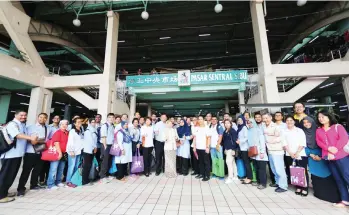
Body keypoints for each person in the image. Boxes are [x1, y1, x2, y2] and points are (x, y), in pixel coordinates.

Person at [0, 110, 38, 203]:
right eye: (21, 115)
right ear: (15, 115)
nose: (23, 117)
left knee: (11, 175)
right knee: (6, 175)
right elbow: (17, 135)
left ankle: (4, 192)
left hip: (17, 154)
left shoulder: (22, 125)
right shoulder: (12, 124)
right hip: (10, 155)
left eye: (25, 115)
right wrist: (31, 138)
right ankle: (1, 196)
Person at [303, 116, 341, 203]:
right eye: (304, 123)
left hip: (324, 156)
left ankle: (332, 196)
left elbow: (325, 143)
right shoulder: (303, 133)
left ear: (312, 122)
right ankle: (319, 193)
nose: (306, 124)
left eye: (308, 122)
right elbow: (303, 145)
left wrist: (321, 156)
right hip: (311, 157)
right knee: (315, 174)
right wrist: (311, 154)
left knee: (327, 173)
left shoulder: (319, 131)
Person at [315, 110, 349, 207]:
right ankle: (345, 200)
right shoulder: (319, 130)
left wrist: (335, 149)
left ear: (329, 117)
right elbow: (319, 142)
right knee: (338, 179)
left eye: (323, 116)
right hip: (329, 158)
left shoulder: (338, 127)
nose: (321, 119)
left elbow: (344, 139)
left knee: (347, 176)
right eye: (319, 117)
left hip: (341, 156)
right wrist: (328, 149)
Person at [17, 113, 50, 196]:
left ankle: (33, 185)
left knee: (37, 170)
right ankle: (21, 189)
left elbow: (46, 140)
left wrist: (38, 140)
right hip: (30, 152)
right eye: (40, 117)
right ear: (38, 118)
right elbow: (31, 141)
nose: (42, 119)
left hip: (41, 152)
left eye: (44, 118)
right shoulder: (30, 127)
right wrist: (40, 141)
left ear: (46, 119)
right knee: (26, 171)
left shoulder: (47, 128)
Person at [283, 116, 308, 196]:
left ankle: (304, 188)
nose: (289, 122)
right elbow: (284, 143)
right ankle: (298, 186)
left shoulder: (299, 131)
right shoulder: (284, 131)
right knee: (294, 171)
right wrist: (290, 153)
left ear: (294, 122)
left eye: (291, 120)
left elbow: (303, 142)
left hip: (300, 153)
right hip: (289, 154)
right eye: (287, 120)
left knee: (302, 170)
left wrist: (297, 152)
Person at [262, 113, 288, 193]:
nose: (265, 120)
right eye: (264, 118)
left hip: (277, 151)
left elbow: (281, 137)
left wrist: (272, 140)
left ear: (270, 118)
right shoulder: (264, 126)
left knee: (279, 169)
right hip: (270, 150)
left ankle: (283, 186)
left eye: (267, 118)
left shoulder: (276, 127)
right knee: (273, 169)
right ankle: (277, 182)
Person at [47, 120, 69, 190]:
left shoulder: (67, 133)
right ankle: (51, 184)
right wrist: (60, 153)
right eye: (62, 124)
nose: (64, 125)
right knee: (53, 169)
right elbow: (56, 143)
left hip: (64, 153)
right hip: (57, 152)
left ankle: (58, 182)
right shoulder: (58, 132)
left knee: (61, 169)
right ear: (60, 125)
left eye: (66, 124)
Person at [248, 118, 268, 189]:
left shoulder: (258, 130)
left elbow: (262, 142)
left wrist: (262, 152)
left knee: (261, 169)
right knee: (256, 168)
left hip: (260, 153)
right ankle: (259, 181)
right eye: (248, 123)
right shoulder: (249, 131)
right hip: (253, 153)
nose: (249, 124)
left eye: (251, 122)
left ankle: (263, 183)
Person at [66, 117, 84, 188]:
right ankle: (68, 181)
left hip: (78, 151)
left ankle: (73, 180)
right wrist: (71, 151)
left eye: (80, 122)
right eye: (78, 122)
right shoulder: (72, 131)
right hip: (72, 151)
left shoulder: (81, 130)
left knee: (76, 166)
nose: (80, 123)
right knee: (71, 166)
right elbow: (70, 142)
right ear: (74, 123)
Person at [193, 116, 211, 182]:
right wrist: (194, 147)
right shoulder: (196, 128)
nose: (200, 120)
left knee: (206, 162)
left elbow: (209, 138)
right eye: (199, 119)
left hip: (204, 148)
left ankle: (207, 175)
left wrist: (207, 147)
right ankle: (202, 174)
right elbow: (195, 138)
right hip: (198, 148)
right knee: (200, 162)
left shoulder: (206, 128)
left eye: (201, 119)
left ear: (203, 120)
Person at [99, 113, 115, 183]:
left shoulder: (112, 126)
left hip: (111, 145)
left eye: (112, 117)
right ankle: (102, 177)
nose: (111, 119)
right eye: (110, 117)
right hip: (105, 145)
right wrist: (105, 146)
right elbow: (103, 137)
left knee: (109, 160)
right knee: (104, 161)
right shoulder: (105, 126)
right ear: (107, 118)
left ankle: (107, 174)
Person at [222, 120, 238, 184]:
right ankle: (235, 176)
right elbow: (225, 141)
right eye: (225, 123)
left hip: (231, 149)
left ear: (231, 124)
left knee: (228, 162)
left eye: (228, 123)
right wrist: (225, 149)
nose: (226, 124)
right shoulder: (225, 131)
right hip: (227, 149)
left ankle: (230, 177)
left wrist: (234, 149)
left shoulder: (232, 131)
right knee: (232, 163)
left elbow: (235, 141)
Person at [82, 118, 97, 186]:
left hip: (91, 150)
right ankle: (85, 181)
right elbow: (90, 141)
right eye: (92, 122)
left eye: (94, 122)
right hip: (87, 150)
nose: (94, 123)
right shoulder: (88, 131)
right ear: (89, 123)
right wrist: (95, 147)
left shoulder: (94, 130)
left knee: (89, 165)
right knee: (86, 166)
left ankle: (87, 179)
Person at [236, 115, 251, 184]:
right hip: (241, 148)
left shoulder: (244, 127)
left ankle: (249, 178)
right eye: (238, 120)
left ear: (243, 120)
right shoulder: (239, 127)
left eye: (241, 120)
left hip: (244, 148)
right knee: (245, 163)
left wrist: (240, 141)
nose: (239, 121)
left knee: (247, 163)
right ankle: (246, 176)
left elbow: (246, 137)